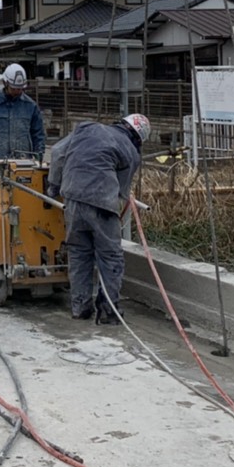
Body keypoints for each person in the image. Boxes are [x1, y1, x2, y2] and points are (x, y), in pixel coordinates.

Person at [47, 113, 150, 323]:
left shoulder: (86, 128)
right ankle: (107, 311)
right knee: (110, 256)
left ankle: (80, 308)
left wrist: (54, 187)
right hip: (102, 203)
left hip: (72, 199)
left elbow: (58, 152)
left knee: (79, 253)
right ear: (138, 138)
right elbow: (122, 189)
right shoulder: (131, 151)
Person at [0, 63, 46, 159]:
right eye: (14, 88)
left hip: (24, 159)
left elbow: (38, 133)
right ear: (5, 83)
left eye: (20, 89)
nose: (17, 91)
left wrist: (39, 154)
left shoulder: (31, 106)